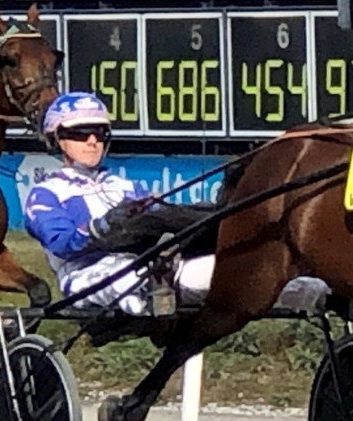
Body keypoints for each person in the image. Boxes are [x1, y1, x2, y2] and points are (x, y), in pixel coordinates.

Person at [24, 91, 215, 315]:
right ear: (56, 138)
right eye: (80, 133)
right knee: (128, 278)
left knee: (227, 268)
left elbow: (161, 219)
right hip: (85, 276)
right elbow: (61, 243)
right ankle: (150, 307)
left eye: (99, 133)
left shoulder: (127, 187)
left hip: (150, 267)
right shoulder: (45, 194)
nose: (92, 141)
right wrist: (103, 226)